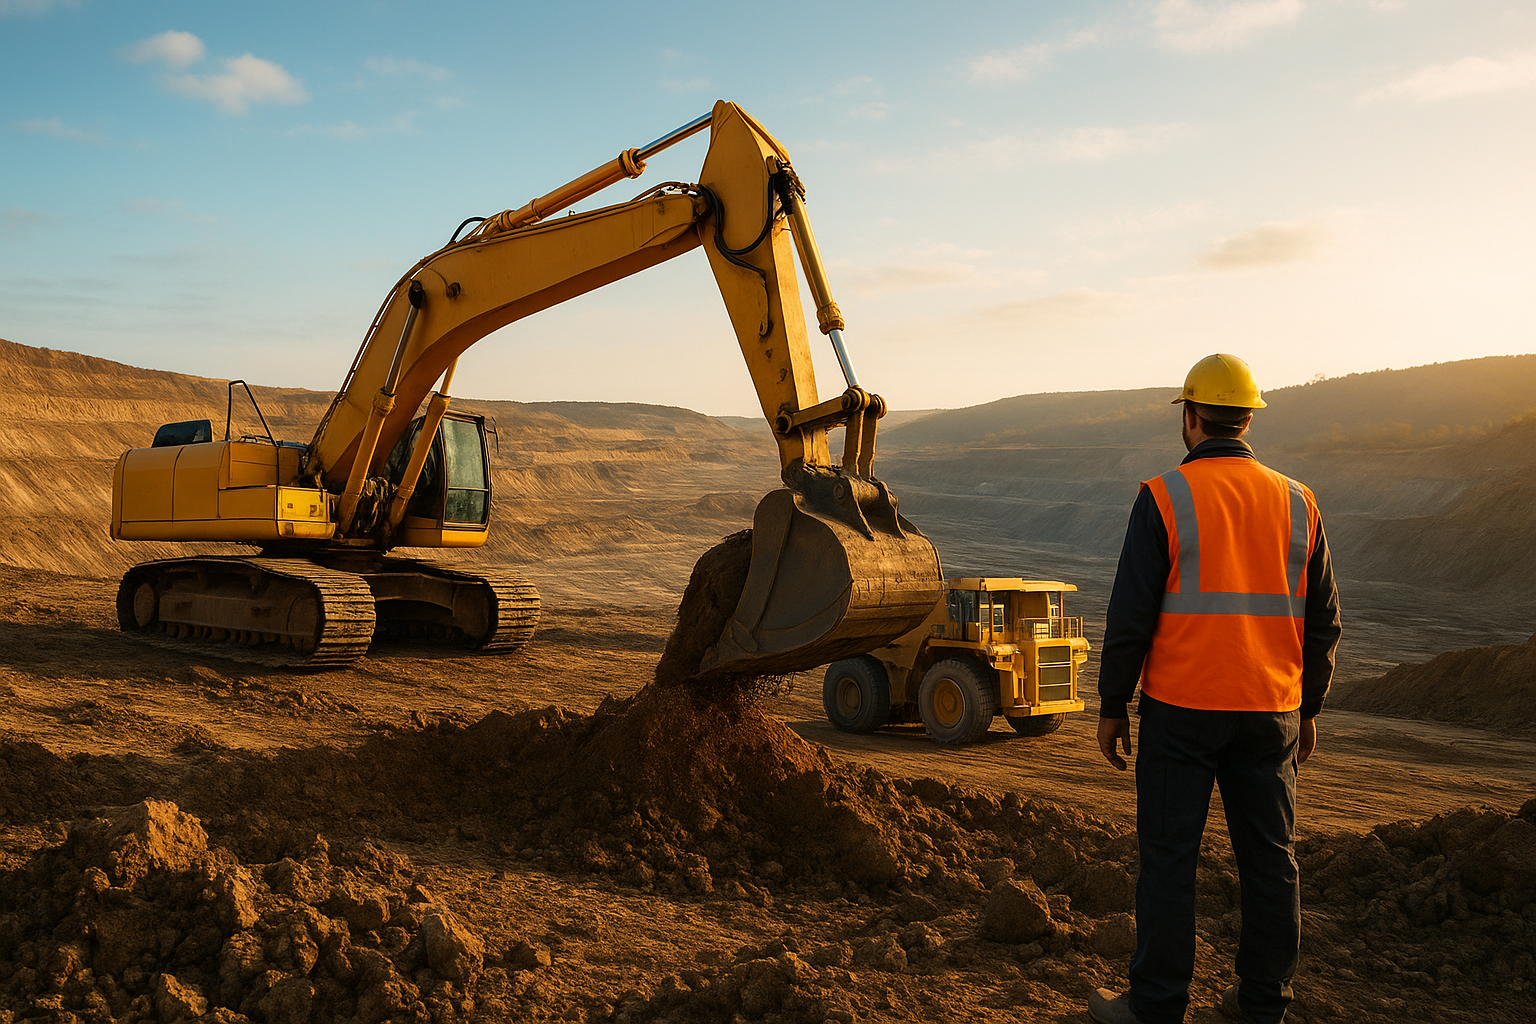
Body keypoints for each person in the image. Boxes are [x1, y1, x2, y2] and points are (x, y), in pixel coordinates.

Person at [1086, 354, 1342, 1024]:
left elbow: (1131, 613)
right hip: (1271, 712)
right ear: (1249, 417)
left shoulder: (1165, 497)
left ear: (1192, 418)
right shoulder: (1299, 501)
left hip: (1183, 710)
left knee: (1170, 859)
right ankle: (1262, 1005)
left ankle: (1157, 1006)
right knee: (1271, 862)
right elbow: (1325, 622)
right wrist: (1307, 709)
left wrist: (1113, 704)